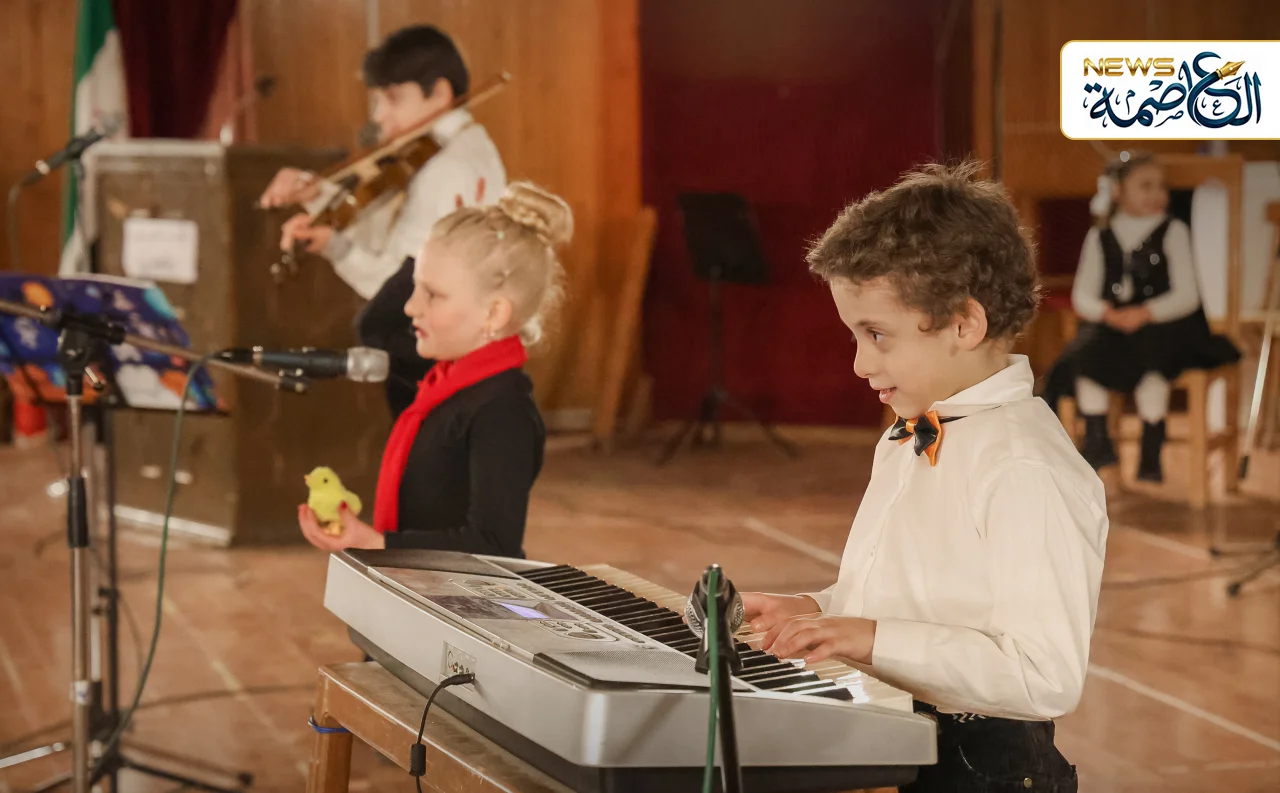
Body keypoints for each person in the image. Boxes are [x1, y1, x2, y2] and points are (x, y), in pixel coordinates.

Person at [742, 162, 1106, 793]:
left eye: (877, 335)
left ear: (965, 324)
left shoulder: (1024, 468)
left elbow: (1044, 676)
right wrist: (819, 611)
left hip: (983, 767)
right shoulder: (911, 429)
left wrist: (868, 638)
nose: (860, 364)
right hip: (899, 734)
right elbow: (917, 599)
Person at [294, 182, 570, 557]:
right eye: (415, 288)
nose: (410, 307)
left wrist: (376, 543)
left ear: (494, 313)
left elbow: (494, 545)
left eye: (433, 294)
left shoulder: (502, 411)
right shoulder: (441, 385)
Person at [259, 24, 507, 418]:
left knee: (379, 331)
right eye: (376, 101)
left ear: (440, 93)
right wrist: (317, 195)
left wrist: (338, 248)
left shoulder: (448, 166)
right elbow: (381, 224)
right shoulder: (455, 149)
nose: (380, 117)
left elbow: (402, 285)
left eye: (393, 99)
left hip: (440, 353)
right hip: (460, 348)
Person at [1041, 150, 1239, 481]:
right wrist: (1106, 313)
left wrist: (1146, 312)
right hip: (1113, 327)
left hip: (1163, 326)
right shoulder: (1100, 236)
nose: (1156, 194)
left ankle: (1152, 442)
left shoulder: (1173, 230)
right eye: (1146, 186)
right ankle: (1097, 437)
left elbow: (1187, 295)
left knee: (1153, 365)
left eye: (1161, 187)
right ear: (1118, 191)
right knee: (1084, 360)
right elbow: (1083, 294)